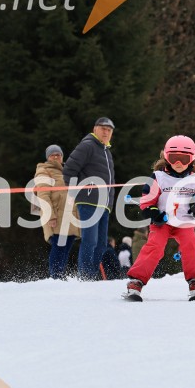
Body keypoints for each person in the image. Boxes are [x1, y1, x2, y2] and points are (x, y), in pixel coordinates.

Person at [123, 135, 195, 301]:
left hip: (184, 223)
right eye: (173, 157)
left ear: (192, 159)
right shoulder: (158, 177)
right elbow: (146, 202)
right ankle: (137, 280)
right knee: (155, 246)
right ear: (166, 157)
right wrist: (154, 213)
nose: (178, 163)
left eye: (184, 159)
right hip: (162, 222)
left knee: (191, 244)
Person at [62, 117, 116, 280]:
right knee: (90, 241)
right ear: (95, 129)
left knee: (101, 244)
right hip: (88, 201)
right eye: (103, 129)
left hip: (104, 204)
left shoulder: (106, 151)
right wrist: (77, 192)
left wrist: (110, 202)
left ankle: (91, 276)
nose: (106, 132)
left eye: (109, 130)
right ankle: (84, 276)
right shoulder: (87, 146)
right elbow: (68, 170)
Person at [35, 144, 80, 279]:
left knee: (66, 247)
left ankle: (60, 276)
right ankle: (55, 276)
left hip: (70, 215)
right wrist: (50, 216)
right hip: (56, 215)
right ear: (48, 157)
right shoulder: (43, 170)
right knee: (59, 246)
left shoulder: (67, 171)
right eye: (52, 155)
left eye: (58, 154)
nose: (55, 157)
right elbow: (43, 195)